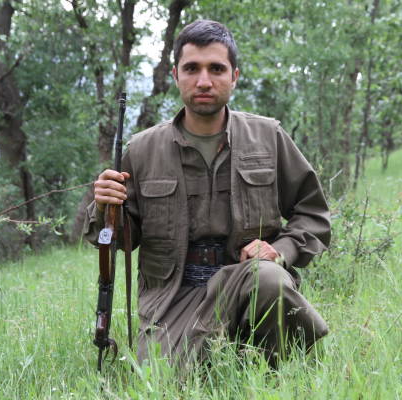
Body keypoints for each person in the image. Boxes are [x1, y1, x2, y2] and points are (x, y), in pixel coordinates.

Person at [85, 19, 331, 367]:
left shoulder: (268, 137)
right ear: (176, 75)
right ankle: (231, 355)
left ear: (234, 76)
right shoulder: (142, 150)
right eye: (192, 69)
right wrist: (105, 207)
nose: (204, 81)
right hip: (173, 298)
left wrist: (279, 250)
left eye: (216, 69)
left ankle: (277, 366)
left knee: (270, 279)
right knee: (168, 380)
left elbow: (313, 213)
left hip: (247, 283)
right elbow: (122, 239)